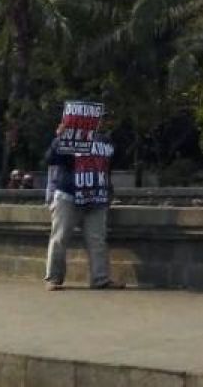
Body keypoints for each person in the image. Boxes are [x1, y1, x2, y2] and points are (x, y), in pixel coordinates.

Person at [43, 118, 125, 291]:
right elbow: (51, 159)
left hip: (96, 197)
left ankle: (100, 279)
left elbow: (108, 167)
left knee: (97, 240)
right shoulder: (69, 140)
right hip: (68, 195)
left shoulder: (106, 142)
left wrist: (108, 191)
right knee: (59, 238)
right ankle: (53, 278)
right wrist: (59, 138)